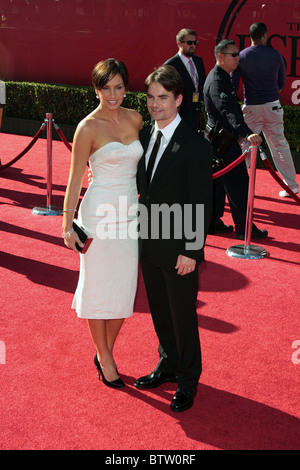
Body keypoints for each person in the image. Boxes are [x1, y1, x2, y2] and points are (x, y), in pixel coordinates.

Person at [134, 65, 213, 412]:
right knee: (161, 312)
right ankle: (167, 363)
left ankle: (188, 378)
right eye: (151, 97)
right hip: (149, 241)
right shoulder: (144, 135)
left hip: (180, 247)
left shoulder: (194, 144)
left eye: (162, 98)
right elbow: (143, 187)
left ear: (179, 99)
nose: (155, 104)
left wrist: (191, 251)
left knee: (183, 315)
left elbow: (201, 200)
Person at [62, 59, 143, 389]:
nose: (113, 94)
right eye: (106, 87)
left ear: (126, 87)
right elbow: (75, 178)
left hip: (129, 217)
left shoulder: (137, 118)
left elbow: (149, 164)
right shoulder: (88, 127)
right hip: (96, 216)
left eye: (119, 87)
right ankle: (106, 357)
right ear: (96, 89)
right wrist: (67, 225)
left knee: (124, 290)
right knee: (98, 288)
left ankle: (104, 351)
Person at [203, 39, 268, 240]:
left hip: (221, 141)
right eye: (233, 55)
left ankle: (212, 223)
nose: (237, 58)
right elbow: (229, 112)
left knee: (217, 185)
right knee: (239, 183)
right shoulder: (217, 80)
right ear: (220, 56)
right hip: (222, 143)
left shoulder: (222, 77)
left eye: (238, 54)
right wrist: (247, 133)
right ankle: (244, 230)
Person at [231, 22, 299, 198]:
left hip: (252, 107)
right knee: (280, 146)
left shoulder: (242, 56)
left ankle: (242, 187)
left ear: (250, 36)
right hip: (272, 106)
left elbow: (233, 83)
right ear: (265, 35)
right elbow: (281, 84)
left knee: (245, 146)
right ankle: (292, 186)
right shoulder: (275, 55)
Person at [164, 28, 206, 132]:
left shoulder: (198, 61)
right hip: (178, 117)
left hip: (195, 117)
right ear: (180, 44)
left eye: (195, 42)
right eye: (189, 43)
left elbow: (202, 87)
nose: (193, 45)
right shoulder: (171, 65)